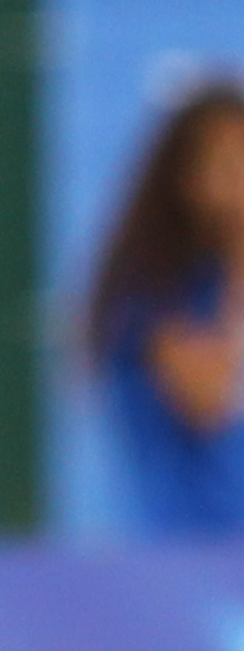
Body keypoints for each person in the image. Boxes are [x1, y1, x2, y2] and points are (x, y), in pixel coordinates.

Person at [87, 82, 244, 534]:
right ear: (187, 178)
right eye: (229, 163)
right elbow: (211, 404)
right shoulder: (155, 297)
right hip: (187, 550)